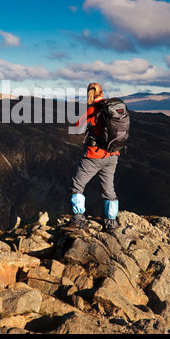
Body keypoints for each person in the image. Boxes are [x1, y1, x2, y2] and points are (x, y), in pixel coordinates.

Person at [68, 82, 120, 232]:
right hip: (112, 155)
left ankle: (78, 219)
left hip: (93, 156)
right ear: (102, 93)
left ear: (89, 94)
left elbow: (78, 127)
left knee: (77, 185)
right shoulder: (112, 108)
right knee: (109, 189)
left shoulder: (93, 108)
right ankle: (111, 222)